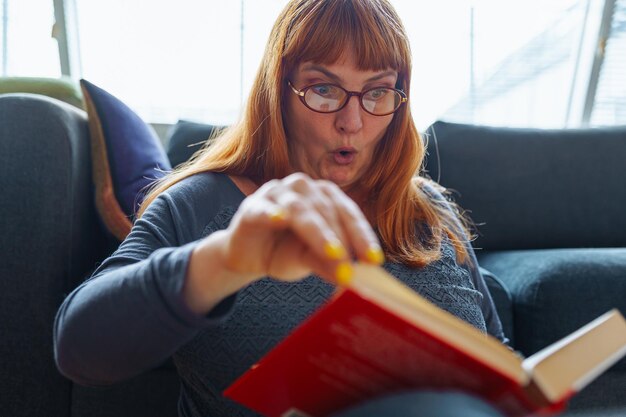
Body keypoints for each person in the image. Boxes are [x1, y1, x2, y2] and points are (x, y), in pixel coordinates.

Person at [54, 1, 508, 416]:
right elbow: (78, 348)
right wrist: (228, 258)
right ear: (279, 91)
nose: (352, 122)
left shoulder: (427, 211)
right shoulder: (202, 205)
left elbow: (503, 362)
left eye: (377, 92)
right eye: (324, 89)